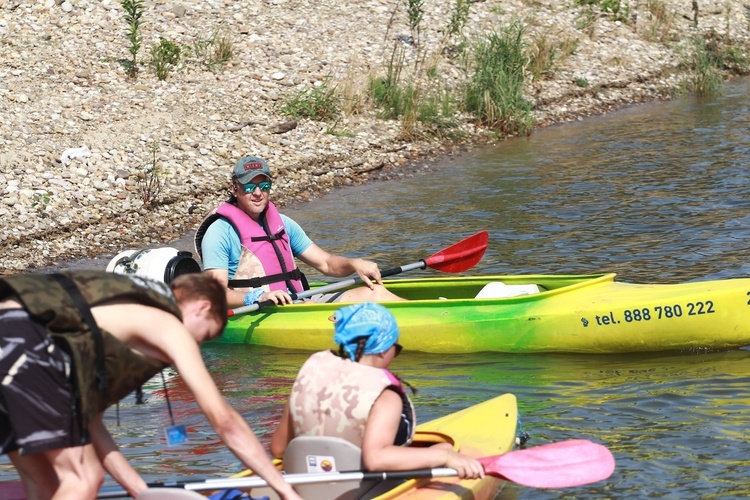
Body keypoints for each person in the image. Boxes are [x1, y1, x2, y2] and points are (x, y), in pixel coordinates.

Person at [0, 270, 302, 500]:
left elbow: (91, 426)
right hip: (23, 338)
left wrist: (142, 492)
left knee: (44, 482)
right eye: (205, 334)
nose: (197, 344)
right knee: (83, 477)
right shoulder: (168, 324)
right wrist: (284, 491)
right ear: (201, 307)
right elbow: (224, 420)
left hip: (11, 334)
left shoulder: (105, 323)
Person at [270, 302, 485, 479]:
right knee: (447, 450)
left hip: (304, 482)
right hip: (360, 488)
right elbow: (377, 459)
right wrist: (445, 459)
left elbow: (279, 449)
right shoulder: (385, 395)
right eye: (396, 348)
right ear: (383, 350)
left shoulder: (312, 372)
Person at [195, 155, 405, 309]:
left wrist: (354, 263)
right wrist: (256, 297)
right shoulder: (219, 233)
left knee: (375, 292)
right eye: (250, 187)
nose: (258, 193)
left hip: (298, 302)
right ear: (235, 189)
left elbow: (326, 263)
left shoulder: (283, 224)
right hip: (257, 311)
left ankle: (436, 316)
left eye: (264, 185)